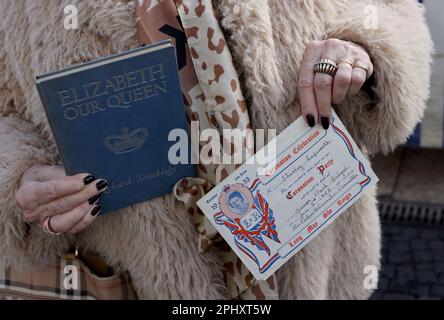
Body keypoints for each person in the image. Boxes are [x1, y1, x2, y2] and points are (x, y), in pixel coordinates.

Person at [0, 0, 432, 299]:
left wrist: (359, 50)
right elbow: (7, 109)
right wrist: (21, 175)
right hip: (133, 275)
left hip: (314, 255)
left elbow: (393, 15)